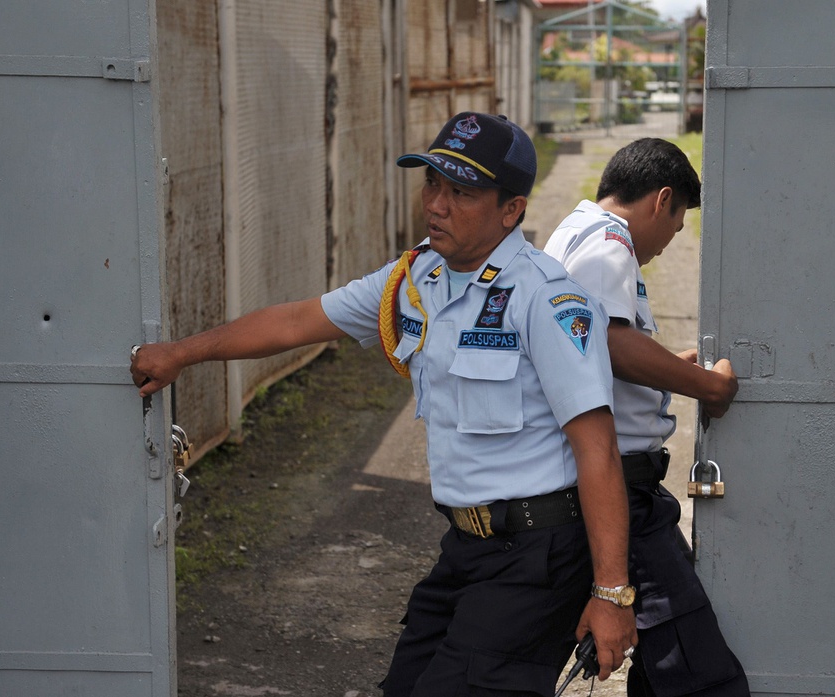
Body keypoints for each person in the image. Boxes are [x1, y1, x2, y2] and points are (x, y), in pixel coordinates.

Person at [130, 112, 638, 695]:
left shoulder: (545, 300)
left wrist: (611, 594)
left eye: (463, 192)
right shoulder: (419, 277)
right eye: (433, 185)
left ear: (511, 209)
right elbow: (299, 320)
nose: (437, 205)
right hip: (467, 548)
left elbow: (597, 450)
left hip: (536, 559)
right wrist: (181, 353)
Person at [543, 138, 751, 697]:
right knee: (696, 670)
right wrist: (707, 385)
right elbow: (611, 343)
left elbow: (592, 348)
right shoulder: (610, 246)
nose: (666, 245)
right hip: (621, 492)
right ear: (663, 201)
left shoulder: (574, 232)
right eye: (678, 227)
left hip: (602, 484)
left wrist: (666, 367)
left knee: (663, 667)